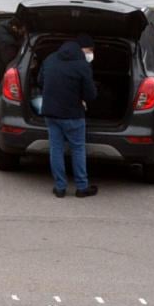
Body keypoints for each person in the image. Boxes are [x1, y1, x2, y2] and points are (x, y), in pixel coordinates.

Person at [38, 33, 98, 198]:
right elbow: (91, 94)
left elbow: (41, 81)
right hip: (72, 114)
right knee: (78, 148)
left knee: (55, 149)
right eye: (90, 50)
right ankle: (81, 187)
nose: (91, 54)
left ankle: (59, 187)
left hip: (50, 112)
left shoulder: (50, 58)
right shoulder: (82, 66)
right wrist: (81, 99)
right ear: (82, 49)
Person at [0, 16, 25, 156]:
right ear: (16, 28)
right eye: (24, 30)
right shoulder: (5, 41)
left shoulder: (5, 29)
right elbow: (11, 62)